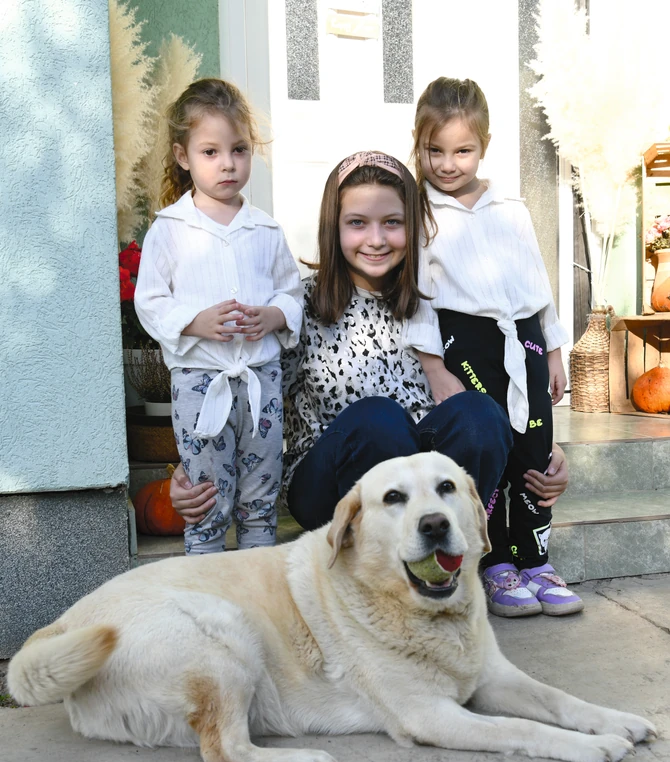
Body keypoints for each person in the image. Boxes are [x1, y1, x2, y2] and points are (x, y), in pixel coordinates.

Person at [171, 150, 568, 539]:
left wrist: (539, 448)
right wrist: (198, 460)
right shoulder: (297, 306)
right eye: (357, 223)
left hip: (422, 486)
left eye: (392, 222)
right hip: (329, 486)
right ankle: (391, 557)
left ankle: (442, 551)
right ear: (334, 226)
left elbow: (497, 388)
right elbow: (254, 396)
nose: (376, 240)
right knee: (379, 420)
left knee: (480, 414)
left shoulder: (436, 300)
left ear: (412, 227)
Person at [405, 76, 580, 618]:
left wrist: (552, 349)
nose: (449, 163)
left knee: (534, 446)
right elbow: (416, 298)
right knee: (495, 444)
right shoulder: (421, 213)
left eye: (463, 150)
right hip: (468, 340)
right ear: (418, 144)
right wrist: (434, 365)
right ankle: (497, 561)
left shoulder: (511, 207)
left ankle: (536, 559)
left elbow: (537, 280)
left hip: (523, 336)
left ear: (484, 146)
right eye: (435, 150)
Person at [134, 78, 303, 554]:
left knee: (260, 499)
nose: (228, 163)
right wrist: (193, 322)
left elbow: (292, 294)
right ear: (183, 156)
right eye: (211, 151)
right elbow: (150, 300)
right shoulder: (169, 229)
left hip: (259, 381)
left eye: (239, 149)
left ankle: (258, 591)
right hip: (200, 382)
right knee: (207, 498)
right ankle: (205, 594)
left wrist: (273, 316)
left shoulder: (266, 230)